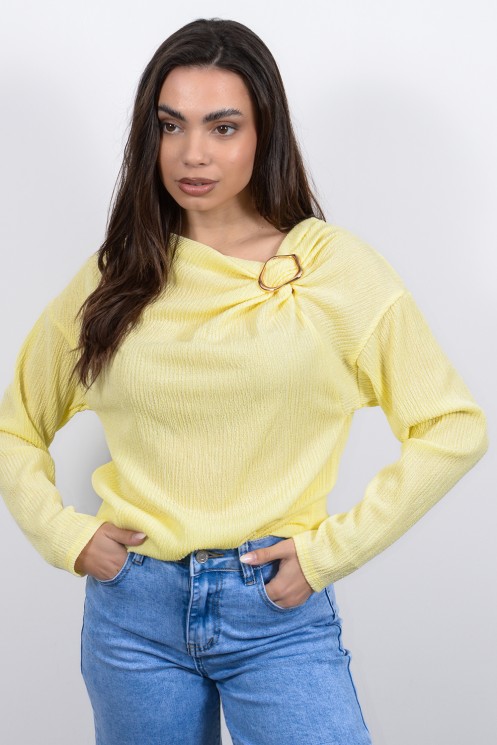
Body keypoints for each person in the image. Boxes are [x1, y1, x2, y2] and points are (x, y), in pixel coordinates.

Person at [0, 17, 488, 745]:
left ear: (265, 135)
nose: (191, 153)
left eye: (222, 127)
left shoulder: (333, 271)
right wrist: (65, 534)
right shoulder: (119, 274)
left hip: (275, 608)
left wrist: (328, 553)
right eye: (171, 125)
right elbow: (16, 426)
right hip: (133, 614)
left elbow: (453, 426)